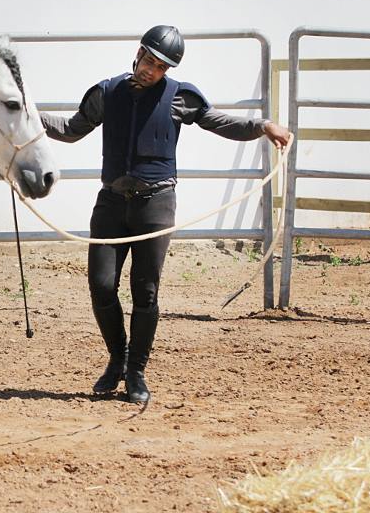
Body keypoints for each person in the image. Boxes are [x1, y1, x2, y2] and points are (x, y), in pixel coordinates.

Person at [40, 25, 291, 408]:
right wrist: (28, 116)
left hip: (155, 206)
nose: (151, 71)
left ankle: (136, 371)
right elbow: (72, 130)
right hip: (111, 203)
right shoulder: (107, 93)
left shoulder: (179, 98)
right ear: (138, 53)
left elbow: (219, 122)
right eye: (149, 61)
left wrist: (262, 126)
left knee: (146, 291)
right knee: (102, 286)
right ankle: (117, 359)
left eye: (160, 67)